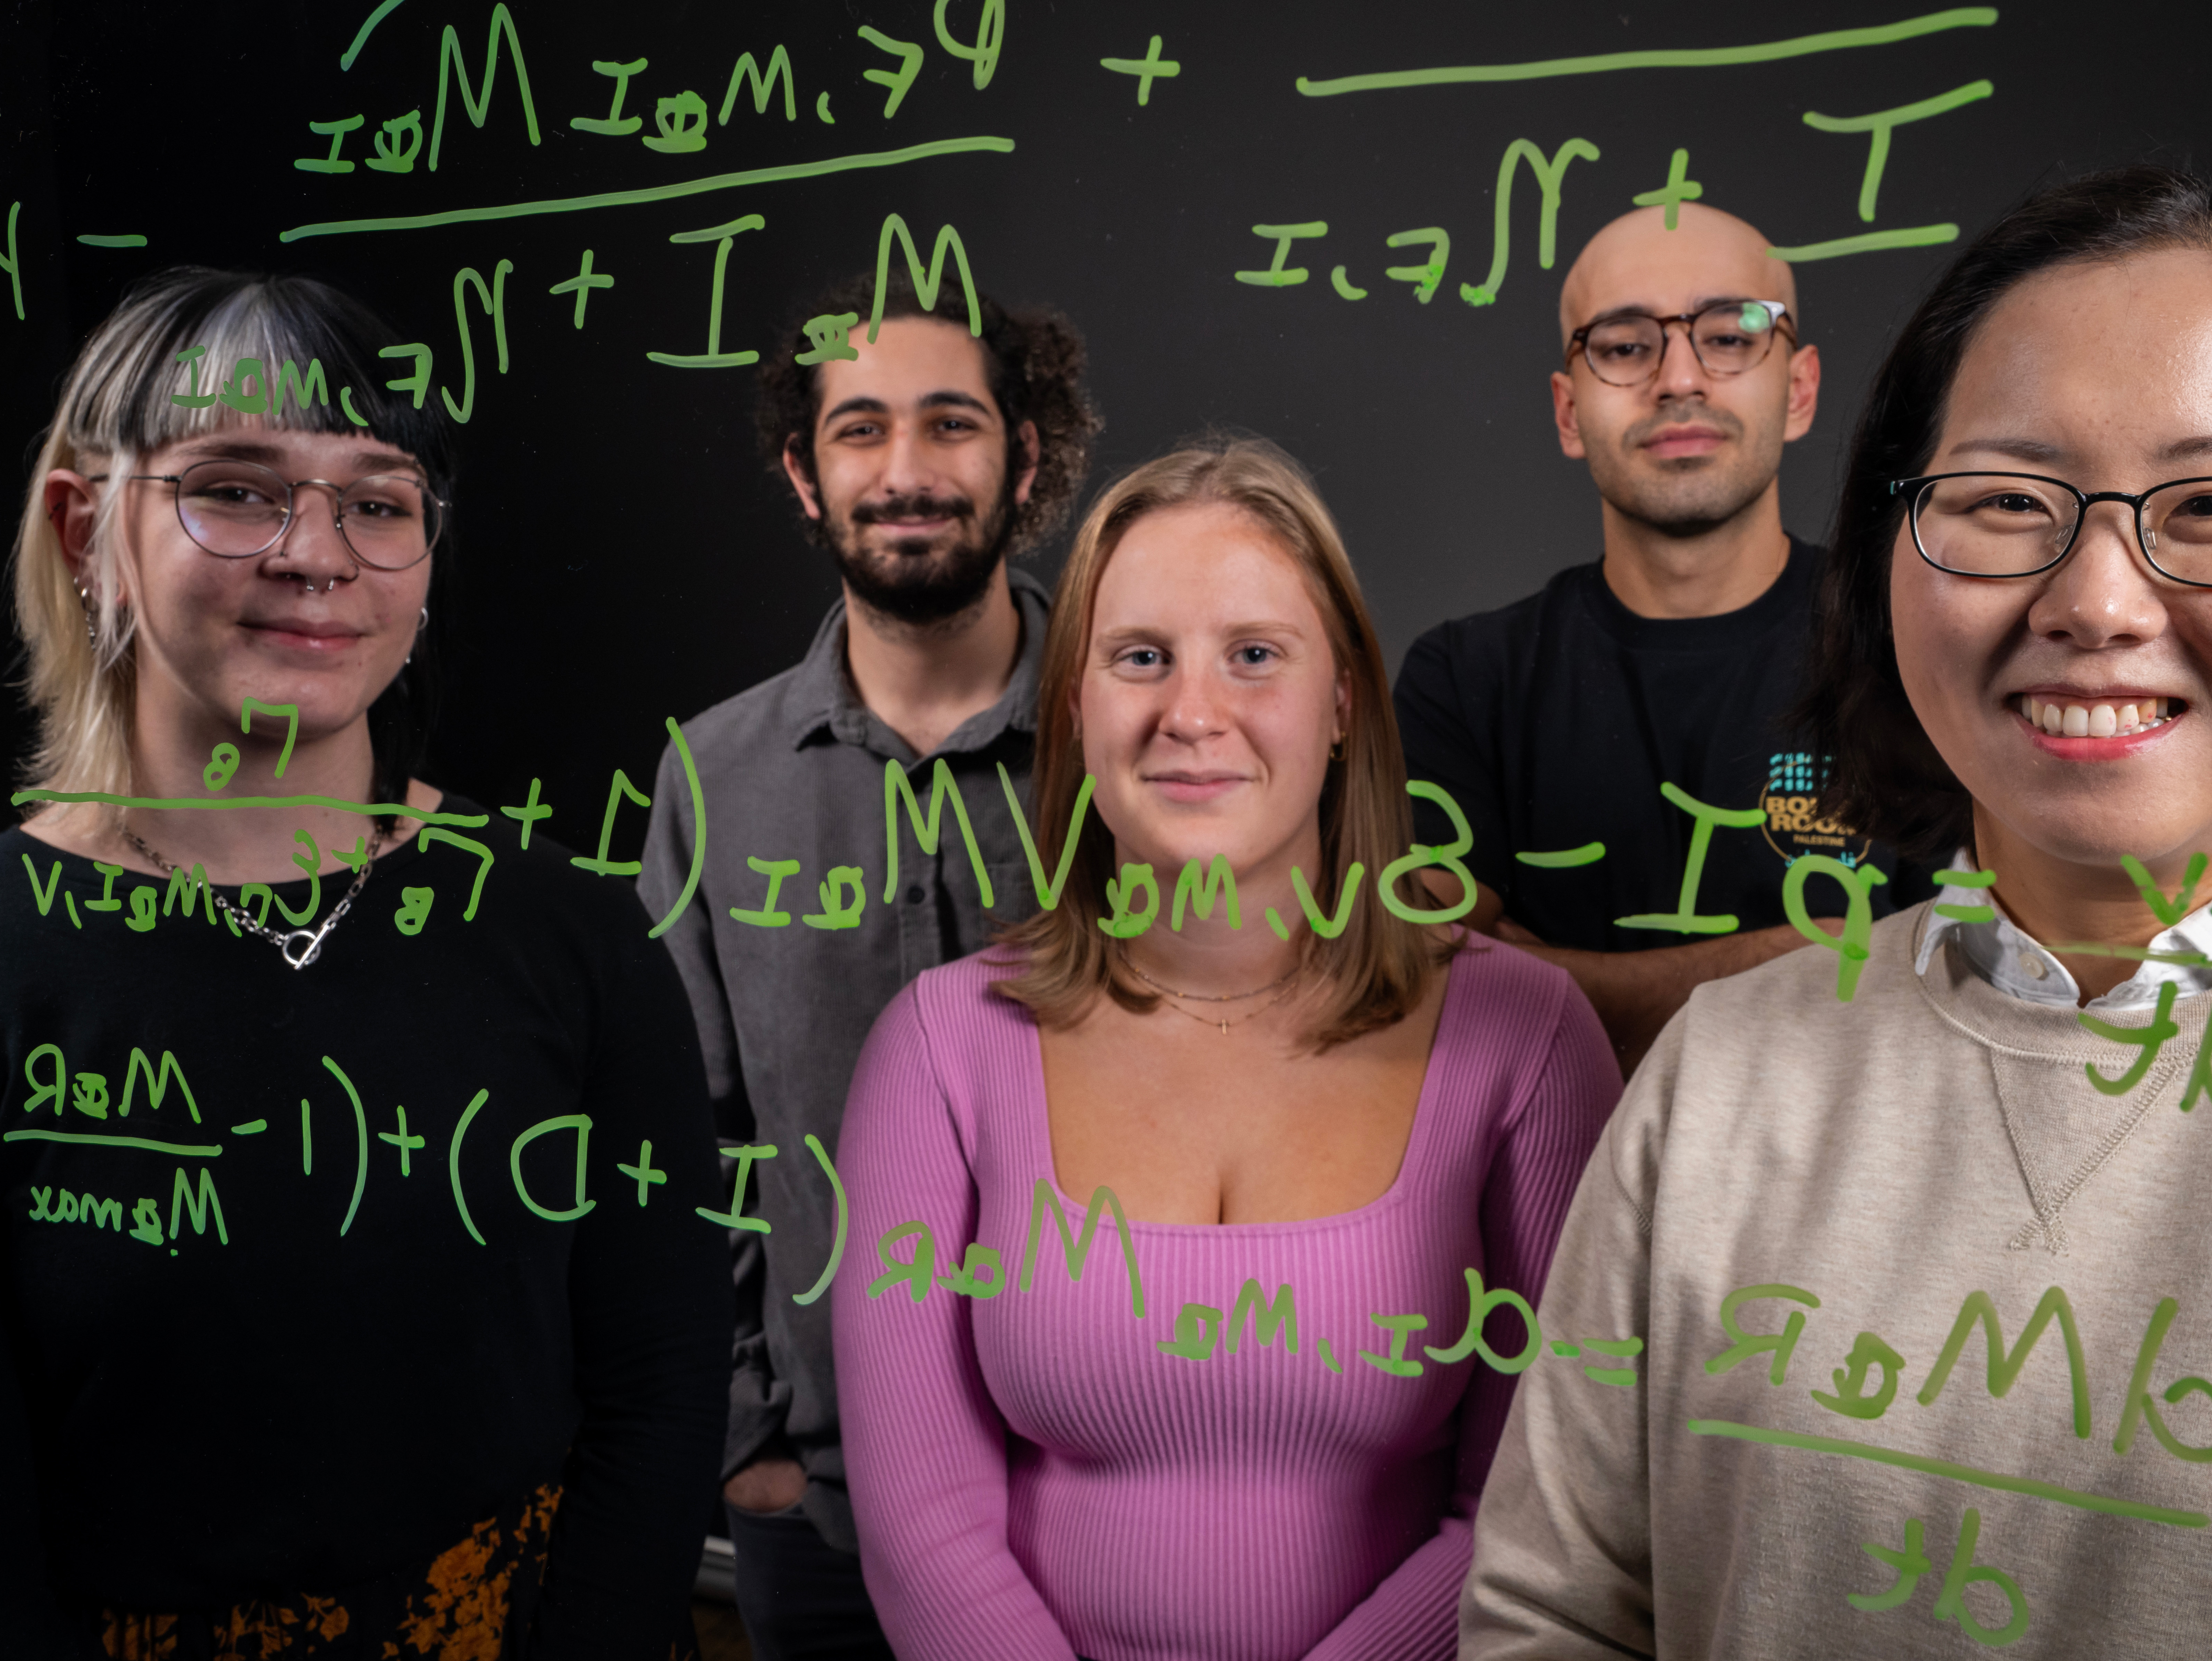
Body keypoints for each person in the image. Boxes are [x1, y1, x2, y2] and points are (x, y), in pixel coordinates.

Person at [1458, 168, 2212, 1657]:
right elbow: (1549, 1614)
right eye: (2005, 500)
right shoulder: (1721, 1078)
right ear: (1892, 554)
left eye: (2210, 503)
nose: (2094, 598)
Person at [0, 269, 725, 1657]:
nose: (316, 553)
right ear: (84, 526)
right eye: (235, 487)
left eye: (377, 501)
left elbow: (657, 1389)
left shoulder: (573, 943)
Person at [829, 438, 1622, 1661]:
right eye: (1139, 657)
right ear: (1076, 703)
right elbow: (922, 1524)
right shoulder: (938, 1046)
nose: (1191, 712)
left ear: (1344, 698)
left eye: (1254, 655)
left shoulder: (1524, 1038)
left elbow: (1536, 1506)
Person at [637, 269, 1102, 1658]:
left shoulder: (1136, 735)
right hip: (818, 1520)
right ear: (802, 471)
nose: (906, 472)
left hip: (1102, 1479)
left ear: (1026, 457)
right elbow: (679, 1143)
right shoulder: (709, 778)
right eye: (859, 431)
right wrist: (748, 1447)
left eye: (951, 424)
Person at [1394, 202, 1922, 1073]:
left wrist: (1544, 974)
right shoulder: (1464, 678)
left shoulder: (1908, 650)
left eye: (1730, 334)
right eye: (1625, 344)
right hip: (1550, 1202)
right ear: (1569, 413)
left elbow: (1958, 983)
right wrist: (1792, 957)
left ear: (1797, 390)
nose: (1678, 378)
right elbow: (1421, 976)